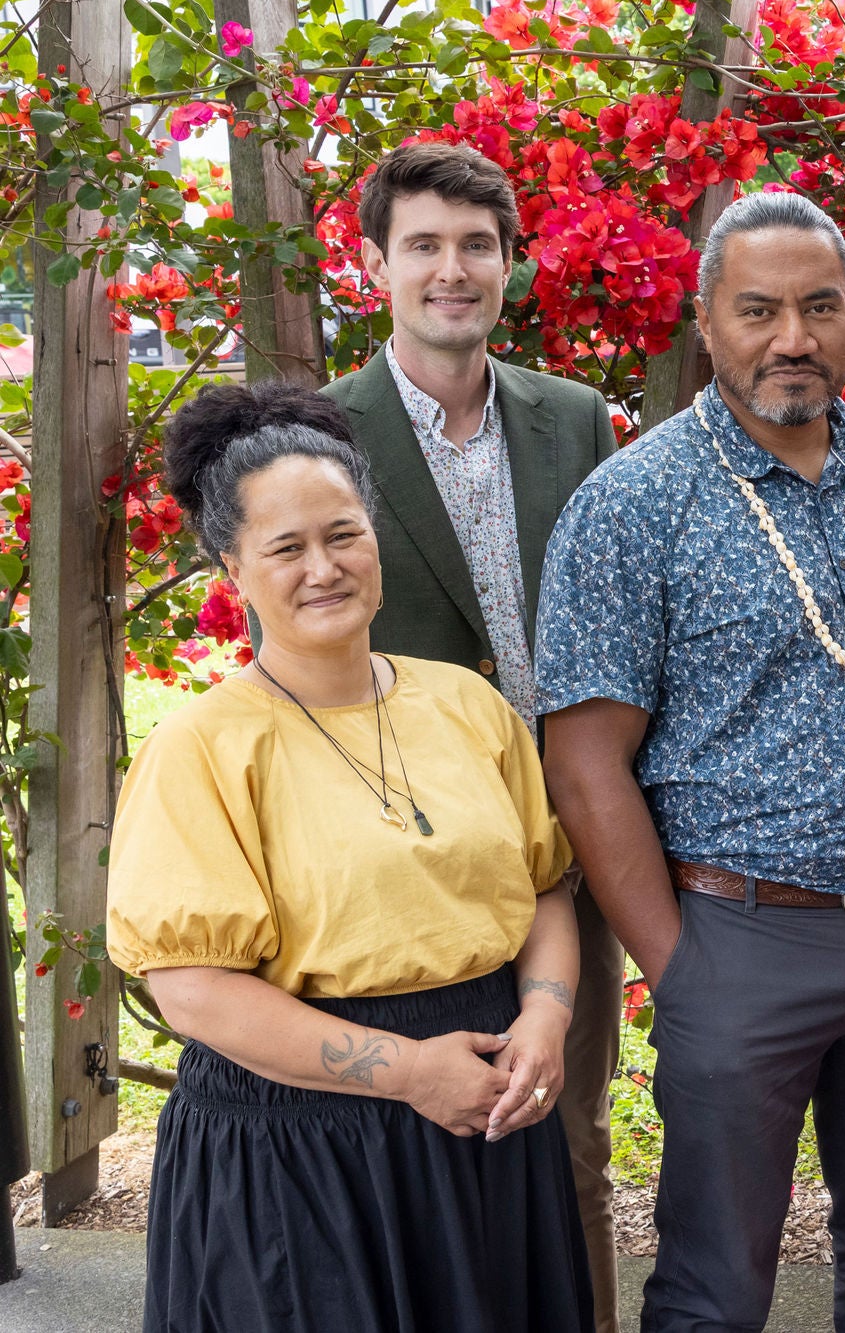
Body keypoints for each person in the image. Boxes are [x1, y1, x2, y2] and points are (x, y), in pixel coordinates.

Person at [535, 190, 845, 1332]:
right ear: (707, 321)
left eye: (817, 308)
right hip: (738, 936)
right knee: (715, 1275)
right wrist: (675, 963)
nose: (790, 338)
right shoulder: (630, 504)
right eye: (758, 310)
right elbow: (585, 762)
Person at [107, 381, 592, 1333]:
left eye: (343, 533)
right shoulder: (204, 747)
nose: (323, 567)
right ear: (230, 568)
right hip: (302, 1141)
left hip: (485, 1110)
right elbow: (194, 990)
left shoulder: (466, 704)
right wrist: (409, 1071)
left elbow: (543, 890)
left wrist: (544, 1018)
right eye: (285, 547)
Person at [324, 139, 627, 1333]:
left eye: (476, 247)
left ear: (510, 264)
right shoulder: (323, 428)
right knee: (407, 1145)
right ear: (374, 266)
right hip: (403, 843)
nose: (452, 270)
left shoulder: (571, 419)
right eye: (424, 247)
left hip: (573, 823)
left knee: (571, 1134)